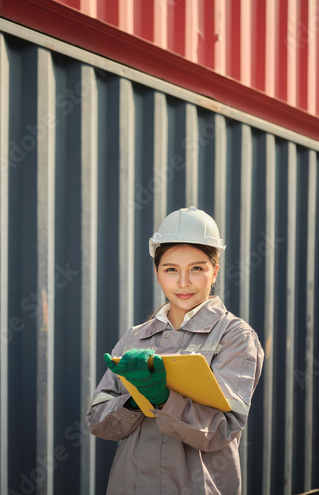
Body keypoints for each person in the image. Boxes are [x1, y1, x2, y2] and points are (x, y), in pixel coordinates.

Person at [86, 206, 264, 495]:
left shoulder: (235, 337)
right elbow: (98, 423)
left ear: (215, 271)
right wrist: (134, 401)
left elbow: (221, 431)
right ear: (157, 273)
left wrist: (162, 398)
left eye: (197, 268)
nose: (183, 282)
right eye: (171, 270)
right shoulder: (135, 337)